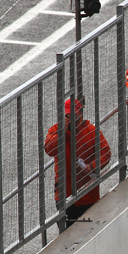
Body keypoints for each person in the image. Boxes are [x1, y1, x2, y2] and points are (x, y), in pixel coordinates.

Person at [44, 98, 111, 229]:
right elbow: (49, 150)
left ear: (79, 113)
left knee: (90, 231)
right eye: (65, 113)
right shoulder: (55, 130)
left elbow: (105, 152)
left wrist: (92, 167)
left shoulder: (91, 130)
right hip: (64, 192)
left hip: (88, 192)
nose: (68, 116)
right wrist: (62, 133)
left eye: (71, 113)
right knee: (66, 231)